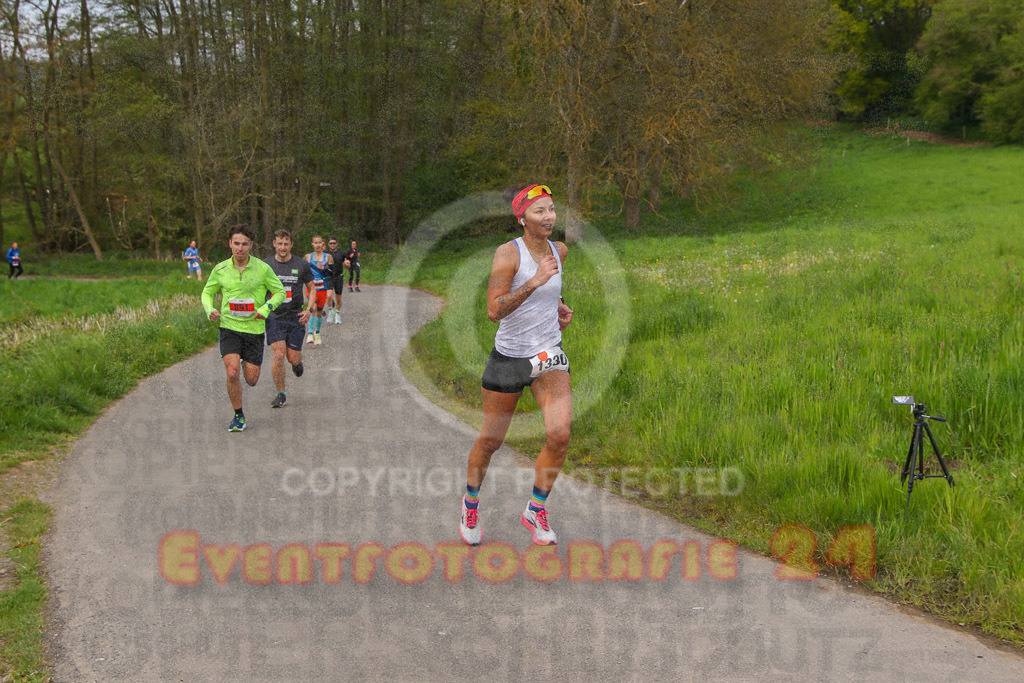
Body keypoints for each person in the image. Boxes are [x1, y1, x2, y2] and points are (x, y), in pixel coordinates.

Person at [459, 184, 574, 546]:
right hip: (509, 357)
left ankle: (535, 509)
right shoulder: (508, 254)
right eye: (539, 211)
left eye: (552, 209)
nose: (549, 216)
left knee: (560, 435)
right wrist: (535, 280)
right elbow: (495, 309)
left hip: (548, 357)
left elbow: (547, 291)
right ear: (521, 217)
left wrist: (558, 305)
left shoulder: (561, 250)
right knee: (491, 440)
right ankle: (470, 503)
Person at [201, 224, 286, 432]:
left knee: (252, 379)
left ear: (251, 246)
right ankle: (238, 416)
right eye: (236, 243)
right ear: (230, 244)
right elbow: (206, 293)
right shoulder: (220, 269)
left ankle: (244, 363)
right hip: (229, 326)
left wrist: (266, 309)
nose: (240, 248)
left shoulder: (263, 269)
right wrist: (209, 309)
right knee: (232, 373)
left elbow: (280, 292)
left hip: (254, 330)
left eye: (244, 244)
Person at [264, 229, 316, 409]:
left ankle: (297, 363)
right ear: (274, 244)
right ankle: (281, 393)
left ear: (291, 245)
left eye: (286, 244)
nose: (283, 247)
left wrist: (309, 309)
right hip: (275, 317)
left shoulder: (302, 264)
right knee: (279, 355)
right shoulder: (266, 265)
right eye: (279, 243)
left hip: (295, 317)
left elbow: (312, 287)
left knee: (292, 357)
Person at [304, 235, 334, 345]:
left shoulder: (328, 257)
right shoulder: (307, 257)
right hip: (311, 287)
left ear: (323, 244)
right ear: (312, 244)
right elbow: (303, 271)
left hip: (323, 287)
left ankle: (317, 333)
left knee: (320, 312)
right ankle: (310, 333)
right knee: (313, 307)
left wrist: (325, 269)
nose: (317, 245)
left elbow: (332, 273)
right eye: (315, 243)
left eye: (319, 243)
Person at [325, 237, 347, 324]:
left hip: (338, 277)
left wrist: (347, 264)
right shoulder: (325, 253)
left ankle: (337, 314)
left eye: (334, 243)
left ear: (337, 244)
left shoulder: (341, 253)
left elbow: (346, 263)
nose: (332, 245)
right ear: (328, 244)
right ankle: (331, 311)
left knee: (338, 299)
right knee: (329, 296)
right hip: (329, 276)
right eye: (331, 243)